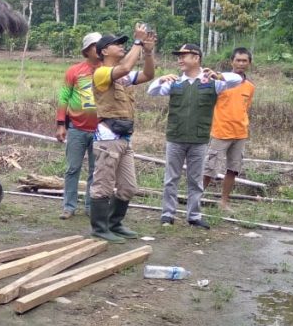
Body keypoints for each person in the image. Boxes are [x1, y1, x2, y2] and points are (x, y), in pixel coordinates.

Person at [147, 44, 243, 229]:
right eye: (179, 56)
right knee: (170, 179)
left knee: (195, 180)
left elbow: (237, 79)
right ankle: (168, 214)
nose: (180, 60)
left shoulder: (212, 82)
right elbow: (151, 91)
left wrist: (219, 75)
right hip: (175, 137)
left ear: (196, 58)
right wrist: (160, 80)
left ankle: (194, 216)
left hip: (198, 139)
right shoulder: (174, 82)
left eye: (184, 56)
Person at [88, 24, 157, 242]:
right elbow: (126, 68)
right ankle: (99, 228)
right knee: (103, 185)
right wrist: (137, 42)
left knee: (128, 187)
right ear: (104, 51)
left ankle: (114, 224)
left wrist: (147, 52)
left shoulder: (124, 77)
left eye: (122, 44)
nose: (121, 46)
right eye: (116, 44)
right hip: (108, 138)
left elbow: (148, 74)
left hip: (125, 139)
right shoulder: (101, 73)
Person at [55, 32, 103, 219]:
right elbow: (64, 97)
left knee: (96, 171)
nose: (98, 49)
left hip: (101, 131)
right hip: (76, 128)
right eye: (94, 46)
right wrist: (61, 124)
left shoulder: (108, 71)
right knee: (72, 168)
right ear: (86, 50)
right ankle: (69, 207)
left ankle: (91, 207)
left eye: (101, 46)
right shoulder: (74, 71)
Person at [203, 47, 255, 211]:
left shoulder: (249, 87)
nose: (241, 63)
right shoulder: (221, 81)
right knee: (209, 168)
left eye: (244, 60)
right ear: (232, 62)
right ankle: (195, 198)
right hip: (220, 132)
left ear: (249, 63)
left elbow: (245, 108)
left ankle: (224, 202)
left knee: (233, 169)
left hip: (240, 133)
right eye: (238, 60)